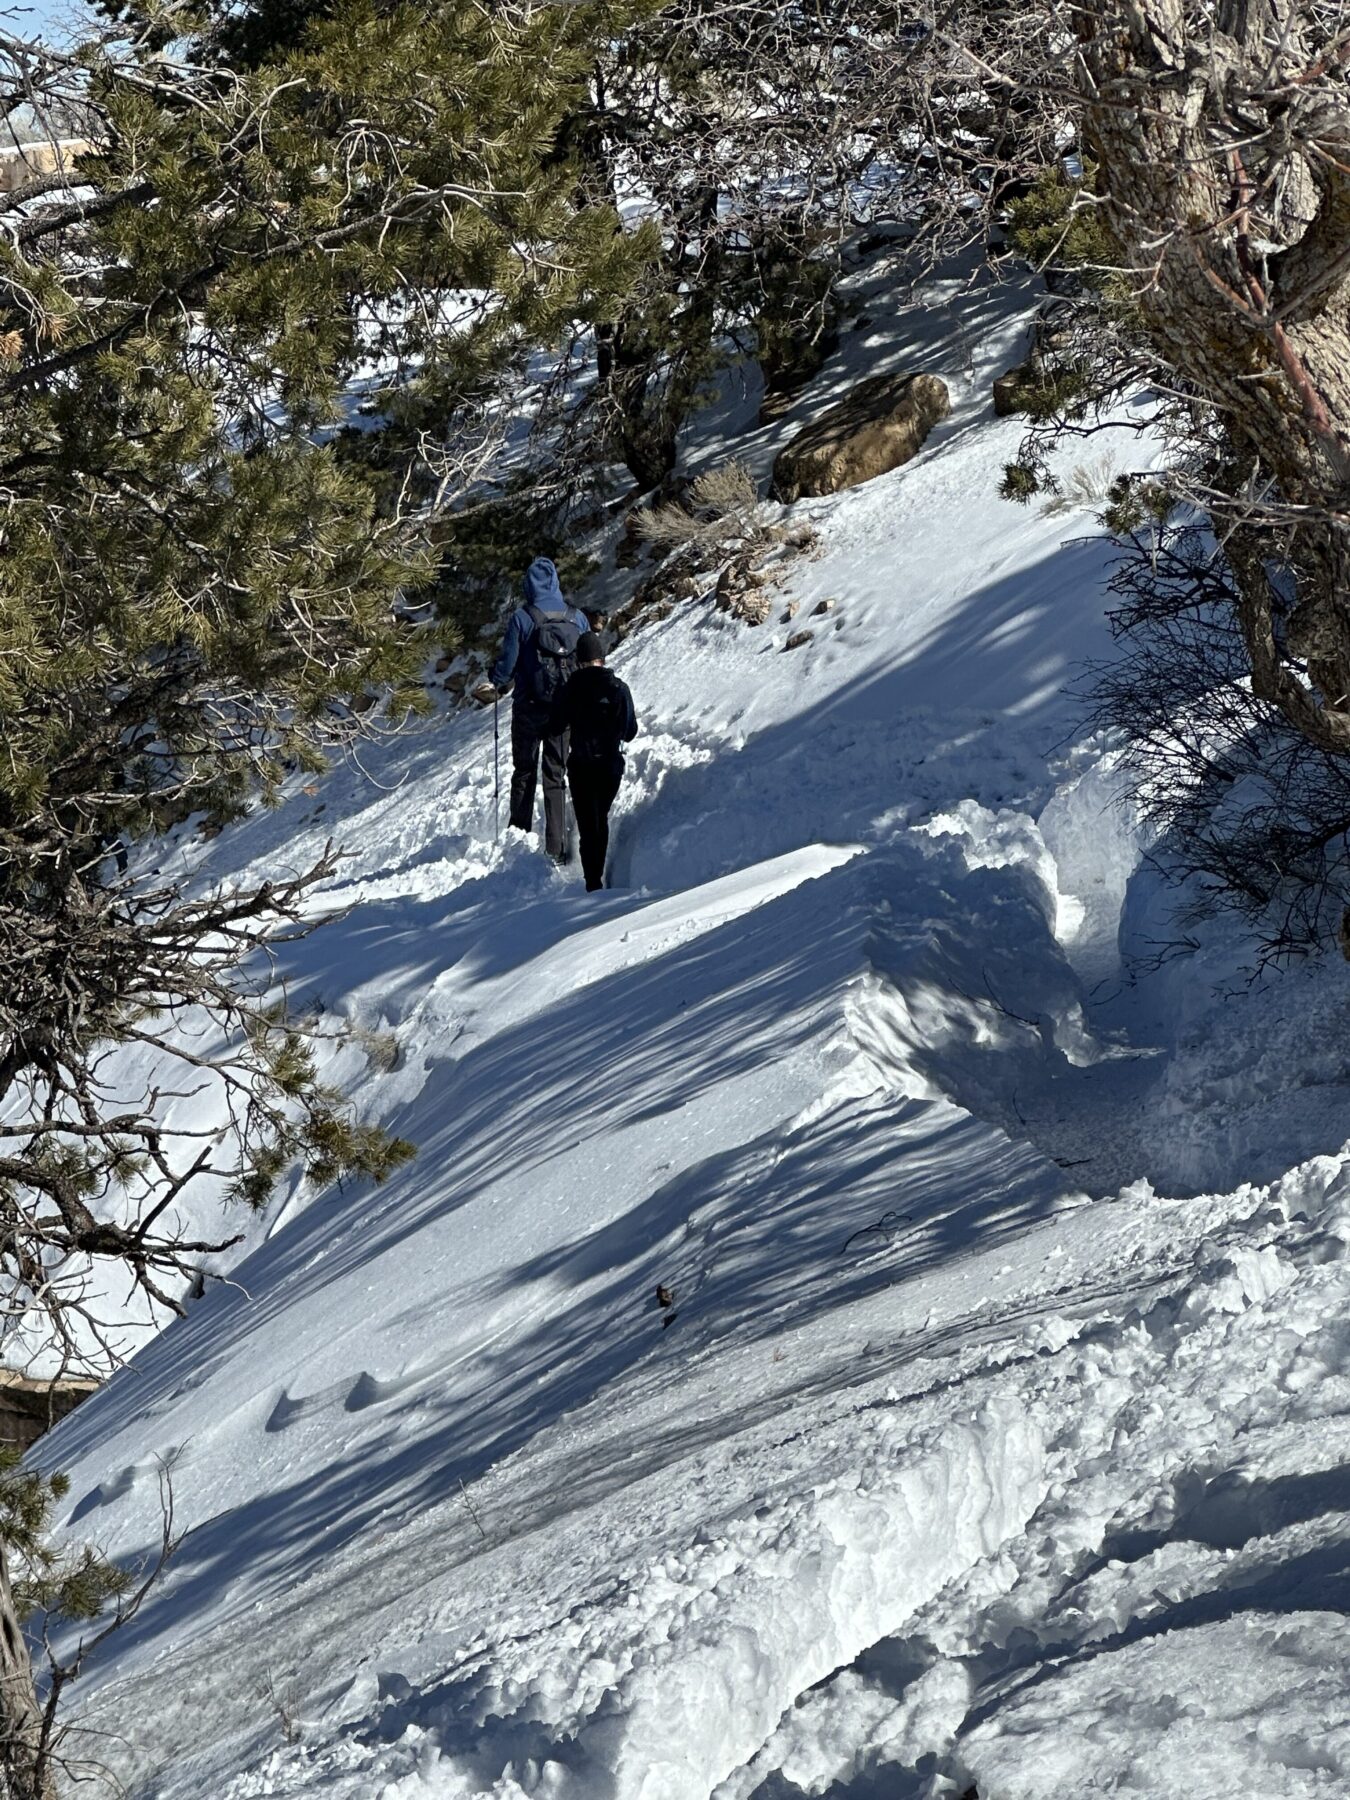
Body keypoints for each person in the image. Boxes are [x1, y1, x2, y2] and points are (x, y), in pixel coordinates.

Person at [476, 558, 588, 860]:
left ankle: (519, 839)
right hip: (564, 709)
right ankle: (557, 847)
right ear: (555, 582)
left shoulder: (523, 618)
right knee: (555, 774)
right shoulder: (576, 617)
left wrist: (495, 677)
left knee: (524, 771)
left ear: (528, 585)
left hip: (528, 708)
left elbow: (506, 669)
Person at [545, 631, 637, 891]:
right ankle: (600, 876)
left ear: (580, 660)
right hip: (610, 767)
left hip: (581, 767)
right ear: (602, 659)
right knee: (601, 818)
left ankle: (593, 883)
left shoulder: (570, 689)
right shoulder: (619, 688)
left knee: (588, 825)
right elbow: (630, 731)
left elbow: (554, 725)